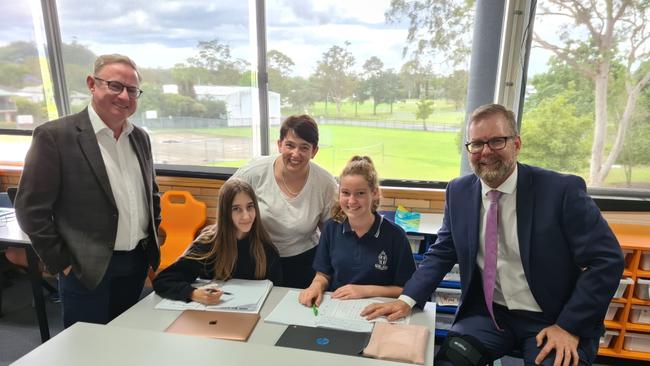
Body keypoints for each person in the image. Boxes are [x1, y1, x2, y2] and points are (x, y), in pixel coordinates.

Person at [361, 104, 624, 366]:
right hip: (489, 315)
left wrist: (569, 326)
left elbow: (608, 260)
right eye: (476, 144)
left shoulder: (560, 191)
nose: (485, 151)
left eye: (497, 141)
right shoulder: (459, 191)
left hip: (552, 319)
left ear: (516, 144)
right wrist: (407, 299)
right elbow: (443, 250)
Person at [14, 54, 161, 328]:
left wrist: (154, 240)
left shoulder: (140, 137)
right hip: (85, 268)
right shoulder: (55, 136)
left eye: (132, 90)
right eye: (115, 86)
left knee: (127, 339)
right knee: (85, 350)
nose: (124, 96)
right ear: (92, 84)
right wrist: (62, 263)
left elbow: (151, 195)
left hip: (135, 264)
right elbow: (30, 209)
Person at [232, 115, 337, 289]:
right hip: (256, 257)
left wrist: (325, 274)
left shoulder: (325, 182)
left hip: (304, 261)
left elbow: (331, 234)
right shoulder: (254, 172)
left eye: (304, 147)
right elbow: (226, 202)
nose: (296, 154)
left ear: (314, 151)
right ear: (279, 144)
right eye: (290, 145)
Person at [299, 156, 415, 307]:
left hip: (378, 309)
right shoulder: (331, 228)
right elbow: (323, 274)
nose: (352, 201)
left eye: (360, 193)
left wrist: (366, 291)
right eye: (346, 193)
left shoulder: (396, 236)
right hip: (337, 306)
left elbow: (406, 288)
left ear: (374, 193)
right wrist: (316, 286)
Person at [153, 179, 282, 303]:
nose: (246, 216)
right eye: (236, 209)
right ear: (225, 212)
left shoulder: (265, 248)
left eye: (250, 207)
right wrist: (193, 293)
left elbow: (278, 292)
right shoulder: (207, 245)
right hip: (212, 316)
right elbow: (163, 281)